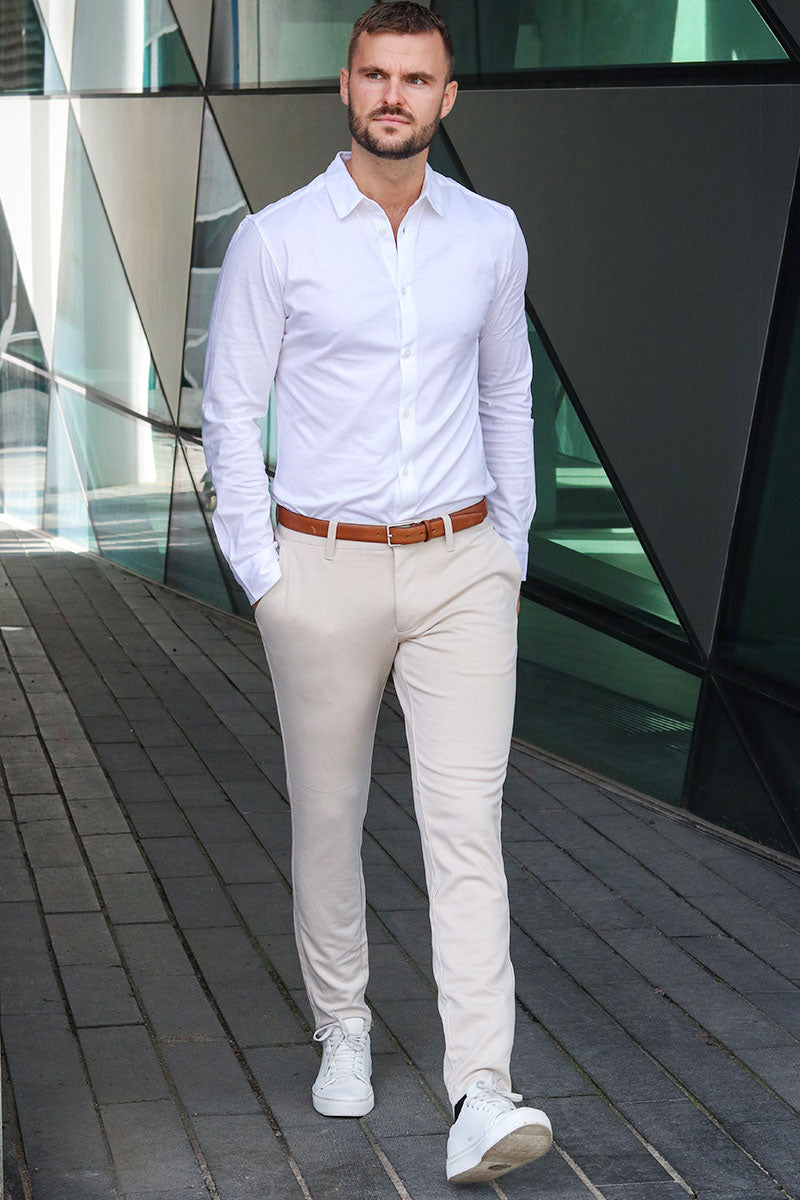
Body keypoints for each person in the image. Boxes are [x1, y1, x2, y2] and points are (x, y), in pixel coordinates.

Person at [202, 1, 552, 1184]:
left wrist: (508, 547)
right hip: (322, 567)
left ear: (446, 98)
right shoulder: (277, 241)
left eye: (415, 77)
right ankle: (341, 1022)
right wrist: (266, 580)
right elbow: (228, 414)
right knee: (328, 816)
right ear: (345, 89)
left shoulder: (490, 235)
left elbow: (505, 393)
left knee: (466, 827)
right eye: (375, 75)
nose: (392, 95)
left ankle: (482, 1087)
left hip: (461, 567)